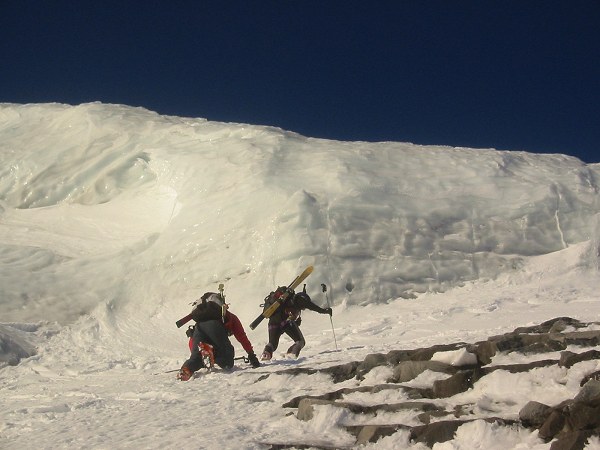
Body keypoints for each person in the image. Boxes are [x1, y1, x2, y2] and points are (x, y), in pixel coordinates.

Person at [178, 291, 260, 381]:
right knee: (228, 361)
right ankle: (211, 353)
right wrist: (251, 355)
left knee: (196, 358)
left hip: (198, 328)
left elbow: (192, 342)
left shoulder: (201, 318)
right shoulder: (231, 317)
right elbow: (242, 337)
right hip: (215, 327)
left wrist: (196, 354)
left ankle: (186, 369)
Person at [260, 286, 332, 361]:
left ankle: (265, 355)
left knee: (272, 344)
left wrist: (296, 323)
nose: (303, 308)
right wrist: (323, 311)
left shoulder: (285, 302)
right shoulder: (299, 299)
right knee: (300, 341)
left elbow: (284, 322)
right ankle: (291, 355)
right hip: (285, 322)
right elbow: (311, 306)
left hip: (273, 322)